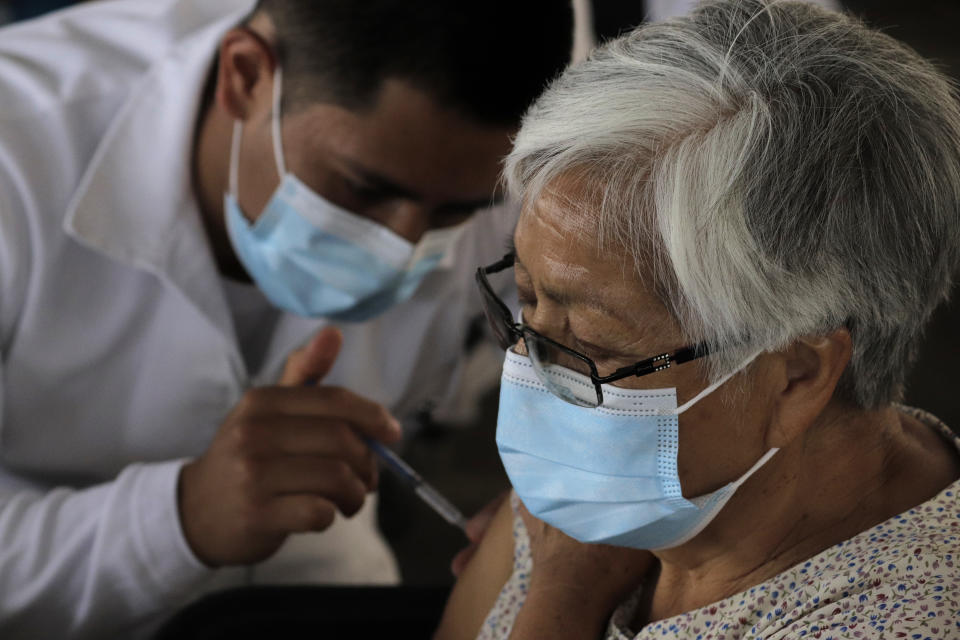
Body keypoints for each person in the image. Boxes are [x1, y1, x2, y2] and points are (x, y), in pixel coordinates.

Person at [0, 0, 573, 637]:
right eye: (363, 189)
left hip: (316, 571)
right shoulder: (16, 157)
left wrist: (571, 488)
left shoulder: (518, 171)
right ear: (244, 78)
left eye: (451, 215)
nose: (403, 248)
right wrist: (179, 521)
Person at [436, 1, 960, 638]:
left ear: (797, 375)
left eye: (593, 343)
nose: (532, 372)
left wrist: (562, 597)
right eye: (523, 300)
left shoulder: (903, 620)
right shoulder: (610, 482)